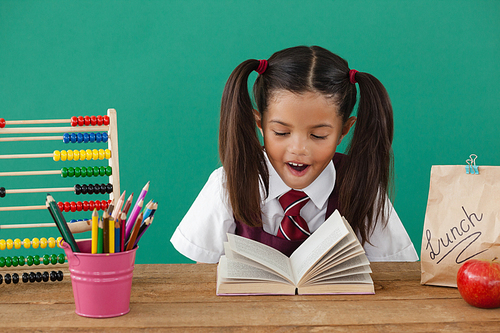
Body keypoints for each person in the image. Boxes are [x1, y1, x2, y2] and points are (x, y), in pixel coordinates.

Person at [171, 46, 418, 263]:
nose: (298, 149)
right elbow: (203, 278)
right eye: (281, 132)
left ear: (344, 131)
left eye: (318, 135)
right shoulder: (227, 183)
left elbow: (393, 271)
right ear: (260, 124)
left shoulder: (363, 186)